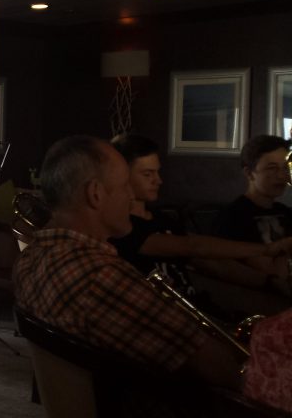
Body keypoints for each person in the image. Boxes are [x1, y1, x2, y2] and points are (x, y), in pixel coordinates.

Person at [14, 135, 244, 407]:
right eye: (124, 186)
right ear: (96, 194)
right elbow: (222, 370)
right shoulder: (100, 276)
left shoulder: (28, 259)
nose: (131, 196)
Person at [109, 134, 292, 308]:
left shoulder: (162, 219)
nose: (158, 180)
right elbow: (193, 246)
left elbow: (210, 262)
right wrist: (268, 250)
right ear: (123, 175)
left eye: (157, 172)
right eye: (148, 174)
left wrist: (269, 282)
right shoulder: (120, 226)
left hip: (193, 308)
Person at [214, 135, 292, 250]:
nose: (281, 176)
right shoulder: (232, 217)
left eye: (285, 168)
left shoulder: (286, 212)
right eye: (271, 168)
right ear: (249, 173)